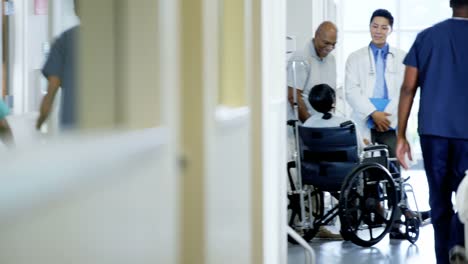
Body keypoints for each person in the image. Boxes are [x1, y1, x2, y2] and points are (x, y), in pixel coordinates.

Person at [396, 0, 468, 263]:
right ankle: (461, 245)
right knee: (467, 199)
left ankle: (444, 258)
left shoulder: (426, 37)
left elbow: (407, 88)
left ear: (450, 4)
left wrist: (401, 135)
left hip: (434, 132)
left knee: (439, 200)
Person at [345, 9, 406, 158]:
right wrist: (373, 113)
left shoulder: (402, 57)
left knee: (392, 170)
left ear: (390, 30)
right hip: (365, 119)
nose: (378, 31)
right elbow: (351, 91)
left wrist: (385, 118)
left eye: (384, 27)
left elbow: (405, 91)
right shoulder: (355, 58)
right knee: (368, 170)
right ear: (369, 26)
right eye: (375, 26)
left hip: (390, 121)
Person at [36, 0, 79, 131]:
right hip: (109, 129)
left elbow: (50, 95)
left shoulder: (64, 41)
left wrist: (37, 125)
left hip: (72, 128)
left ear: (76, 9)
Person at [287, 21, 338, 123]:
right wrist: (311, 127)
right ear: (316, 36)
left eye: (333, 44)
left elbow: (331, 93)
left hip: (323, 125)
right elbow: (294, 97)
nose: (330, 48)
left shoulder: (331, 59)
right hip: (305, 125)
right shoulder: (300, 57)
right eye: (326, 43)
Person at [304, 83, 369, 150]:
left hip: (315, 160)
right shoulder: (347, 124)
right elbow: (361, 150)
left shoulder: (307, 124)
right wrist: (365, 143)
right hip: (342, 160)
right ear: (333, 100)